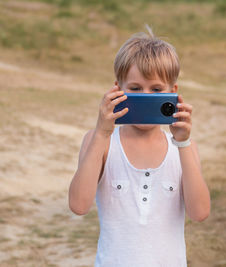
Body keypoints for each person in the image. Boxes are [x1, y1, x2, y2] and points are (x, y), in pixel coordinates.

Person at [68, 27, 211, 267]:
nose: (145, 96)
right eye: (135, 89)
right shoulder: (99, 142)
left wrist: (183, 142)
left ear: (172, 93)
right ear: (117, 89)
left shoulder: (185, 148)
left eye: (156, 90)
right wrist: (103, 132)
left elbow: (199, 213)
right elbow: (78, 205)